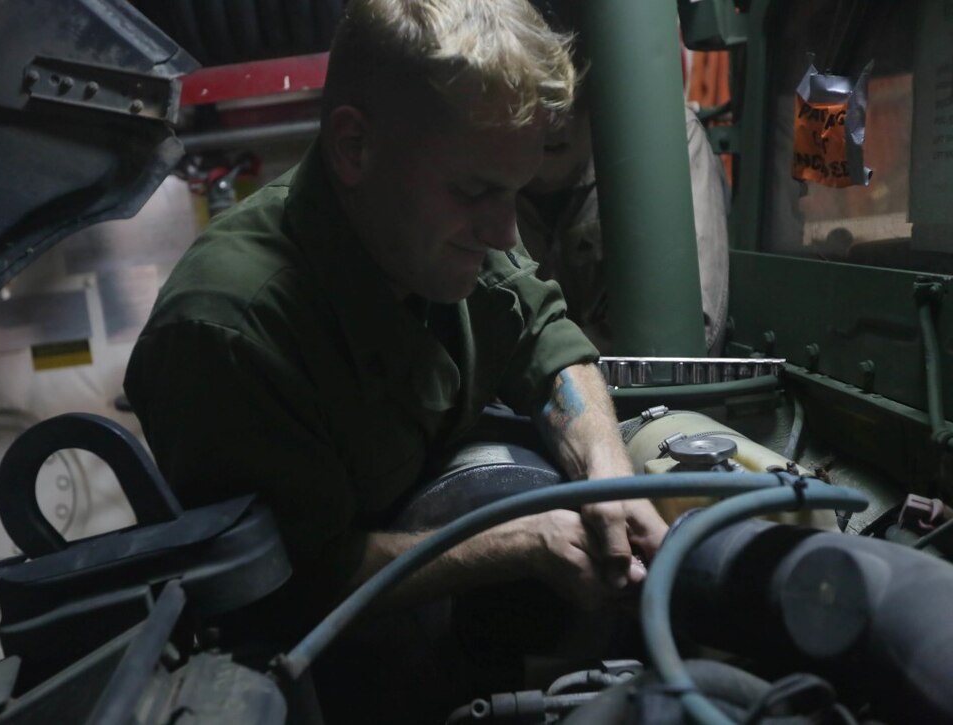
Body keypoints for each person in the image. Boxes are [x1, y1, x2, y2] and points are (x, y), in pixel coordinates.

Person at [124, 0, 667, 709]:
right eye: (476, 192)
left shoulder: (431, 232)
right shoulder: (227, 334)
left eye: (515, 193)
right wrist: (524, 540)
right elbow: (294, 582)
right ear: (354, 146)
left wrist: (607, 475)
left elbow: (543, 336)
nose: (505, 232)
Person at [517, 8, 731, 354]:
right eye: (537, 93)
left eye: (575, 88)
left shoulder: (663, 141)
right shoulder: (482, 160)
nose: (557, 121)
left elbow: (683, 340)